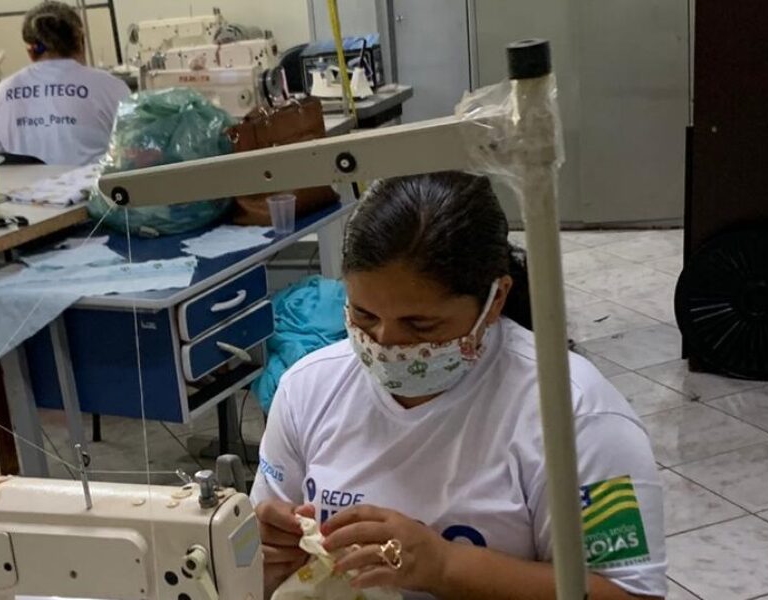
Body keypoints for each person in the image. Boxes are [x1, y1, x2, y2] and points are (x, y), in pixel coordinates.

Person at [252, 172, 665, 600]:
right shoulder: (308, 388)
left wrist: (446, 566)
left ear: (495, 299)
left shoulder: (576, 415)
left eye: (420, 324)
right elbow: (259, 550)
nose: (385, 343)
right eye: (363, 315)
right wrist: (260, 551)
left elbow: (629, 594)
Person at [0, 1, 130, 165]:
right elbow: (137, 154)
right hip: (91, 189)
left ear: (31, 51)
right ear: (80, 41)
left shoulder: (3, 92)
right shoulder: (110, 88)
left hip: (21, 190)